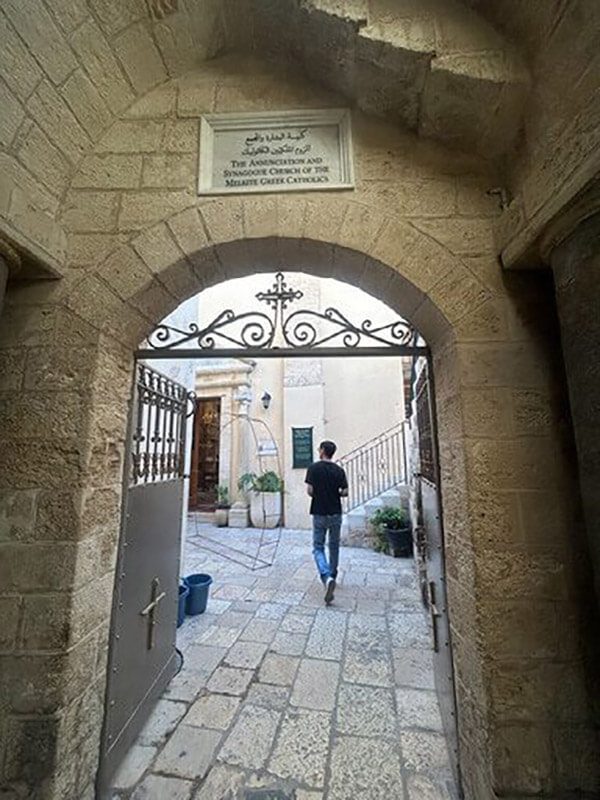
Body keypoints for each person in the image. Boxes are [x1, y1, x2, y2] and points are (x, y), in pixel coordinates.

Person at [305, 440, 349, 605]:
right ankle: (333, 574)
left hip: (319, 511)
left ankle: (325, 575)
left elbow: (310, 491)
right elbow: (345, 491)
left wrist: (318, 493)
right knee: (334, 545)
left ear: (323, 451)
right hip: (335, 512)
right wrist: (335, 492)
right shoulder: (339, 470)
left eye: (319, 449)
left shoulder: (313, 468)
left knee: (318, 547)